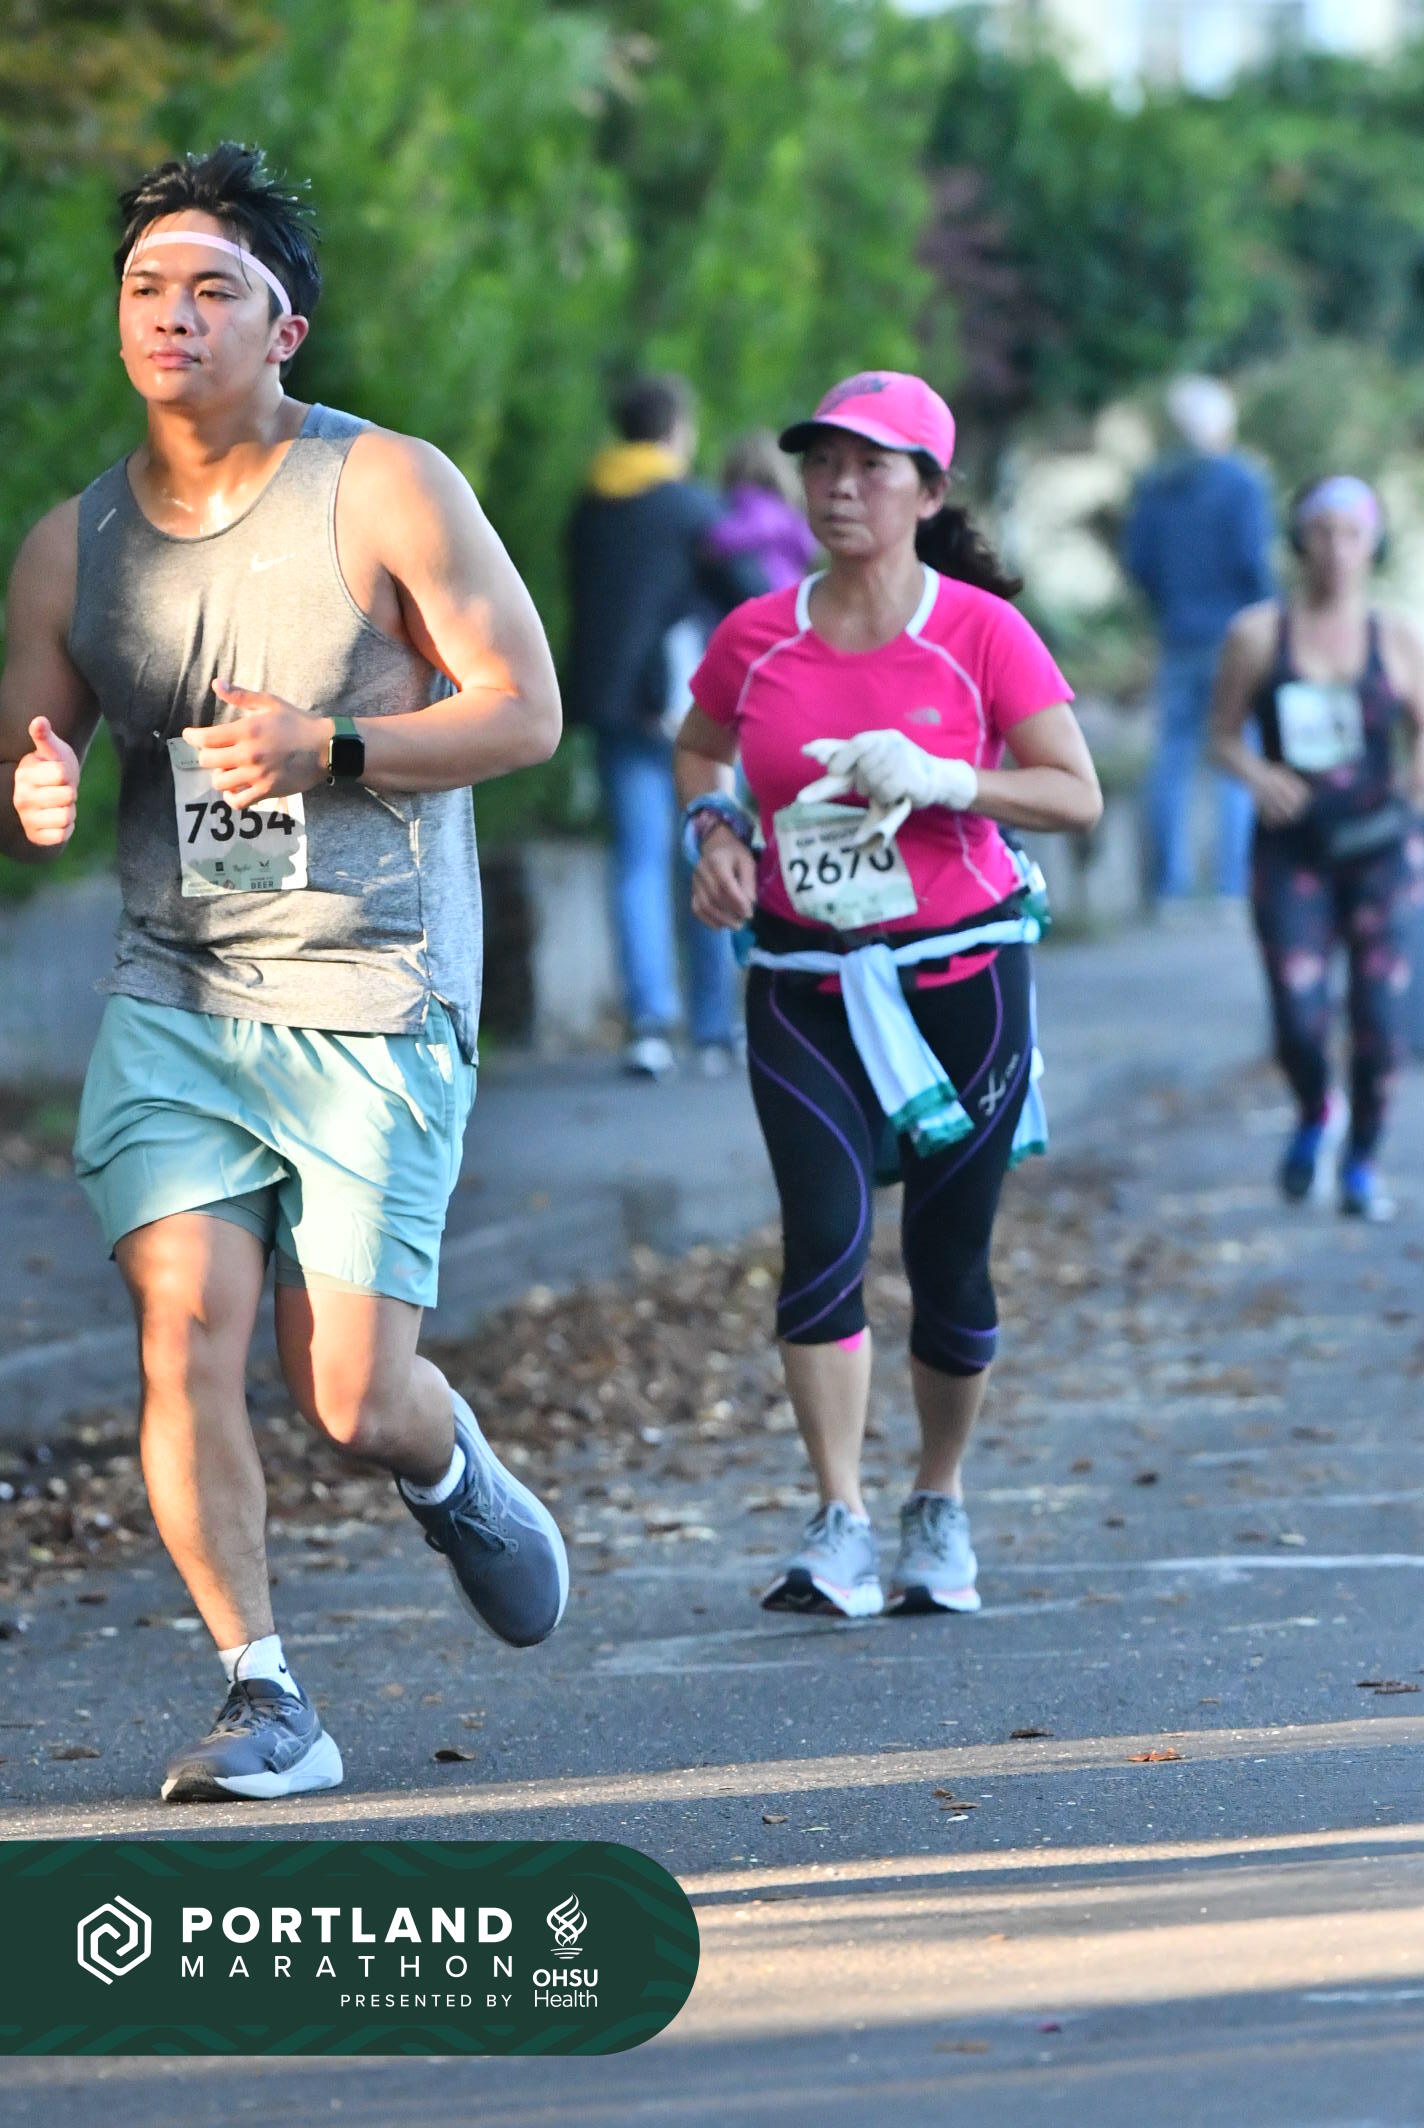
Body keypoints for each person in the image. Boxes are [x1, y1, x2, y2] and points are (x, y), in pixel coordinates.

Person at [0, 143, 570, 1802]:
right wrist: (34, 781)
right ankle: (263, 1692)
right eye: (144, 287)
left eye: (212, 289)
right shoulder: (73, 546)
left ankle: (445, 1463)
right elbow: (32, 743)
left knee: (350, 1397)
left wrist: (334, 744)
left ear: (284, 328)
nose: (170, 314)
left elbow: (524, 712)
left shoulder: (384, 487)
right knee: (182, 1331)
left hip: (374, 987)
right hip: (177, 989)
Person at [674, 370, 1101, 1619]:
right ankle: (838, 1518)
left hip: (961, 979)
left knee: (949, 1262)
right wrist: (713, 830)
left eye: (869, 466)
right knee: (820, 1236)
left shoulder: (980, 632)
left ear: (927, 489)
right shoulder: (755, 634)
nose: (839, 486)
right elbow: (697, 747)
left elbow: (1072, 793)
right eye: (820, 463)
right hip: (802, 982)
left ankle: (937, 1496)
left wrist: (951, 778)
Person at [1210, 475, 1424, 1222]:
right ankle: (1315, 1109)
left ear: (1373, 543)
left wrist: (1415, 783)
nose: (1337, 549)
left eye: (1352, 533)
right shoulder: (1257, 634)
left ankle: (1363, 1162)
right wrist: (1259, 775)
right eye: (1323, 532)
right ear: (1300, 541)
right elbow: (1220, 737)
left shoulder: (1396, 635)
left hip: (1382, 851)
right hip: (1291, 853)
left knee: (1381, 1022)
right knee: (1298, 1016)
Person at [564, 376, 763, 1079]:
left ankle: (649, 1026)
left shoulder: (589, 508)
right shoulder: (692, 507)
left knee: (638, 864)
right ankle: (712, 1028)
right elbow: (753, 594)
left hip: (617, 710)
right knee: (708, 853)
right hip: (692, 711)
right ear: (677, 428)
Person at [1124, 375, 1275, 905]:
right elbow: (1254, 563)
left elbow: (1138, 563)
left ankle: (1171, 884)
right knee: (1237, 750)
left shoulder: (1155, 486)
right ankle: (1233, 880)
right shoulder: (1243, 483)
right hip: (1235, 638)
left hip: (1178, 635)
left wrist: (1171, 603)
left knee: (1173, 757)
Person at [705, 430, 820, 594]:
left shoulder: (755, 504)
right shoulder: (789, 515)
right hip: (793, 593)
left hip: (766, 592)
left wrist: (710, 543)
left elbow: (745, 532)